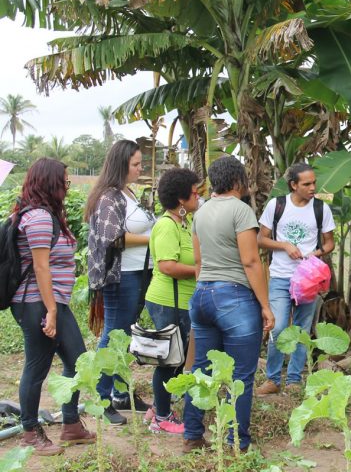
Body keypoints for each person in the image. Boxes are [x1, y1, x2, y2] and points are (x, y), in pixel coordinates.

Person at [182, 155, 275, 453]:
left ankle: (193, 436)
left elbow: (198, 261)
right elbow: (250, 261)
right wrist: (265, 305)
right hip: (234, 298)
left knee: (201, 369)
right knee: (242, 376)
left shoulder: (201, 212)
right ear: (237, 181)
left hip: (202, 295)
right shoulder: (241, 210)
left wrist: (204, 289)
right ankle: (237, 443)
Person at [10, 158, 95, 455]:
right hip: (37, 303)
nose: (67, 188)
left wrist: (56, 306)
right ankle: (30, 432)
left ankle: (71, 425)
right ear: (50, 183)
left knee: (77, 359)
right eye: (64, 182)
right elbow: (41, 267)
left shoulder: (47, 215)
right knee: (37, 366)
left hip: (52, 301)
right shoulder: (39, 219)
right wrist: (52, 311)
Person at [85, 139, 154, 426]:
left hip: (138, 272)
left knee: (124, 335)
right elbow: (113, 237)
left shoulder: (127, 192)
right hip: (121, 275)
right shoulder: (109, 197)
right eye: (135, 164)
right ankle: (101, 399)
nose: (140, 169)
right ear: (121, 164)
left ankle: (121, 393)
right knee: (114, 335)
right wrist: (154, 239)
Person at [255, 163, 335, 396]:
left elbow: (330, 242)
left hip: (308, 280)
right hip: (280, 276)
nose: (313, 188)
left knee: (301, 329)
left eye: (314, 183)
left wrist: (317, 253)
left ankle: (293, 379)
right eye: (307, 184)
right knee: (278, 327)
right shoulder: (276, 205)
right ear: (293, 185)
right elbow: (261, 239)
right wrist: (284, 245)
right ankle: (272, 378)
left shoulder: (321, 208)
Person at [144, 168, 201, 434]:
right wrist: (200, 271)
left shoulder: (183, 223)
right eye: (193, 191)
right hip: (168, 300)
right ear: (181, 198)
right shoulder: (167, 225)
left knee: (176, 359)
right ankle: (162, 417)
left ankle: (158, 408)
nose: (198, 194)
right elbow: (167, 265)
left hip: (180, 300)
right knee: (169, 360)